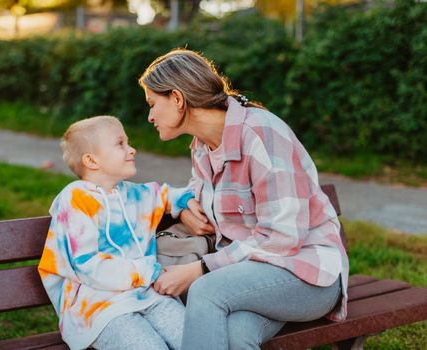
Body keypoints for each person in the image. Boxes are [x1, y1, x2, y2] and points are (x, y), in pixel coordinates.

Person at [138, 49, 349, 349]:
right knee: (236, 335)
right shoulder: (202, 146)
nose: (149, 116)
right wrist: (185, 206)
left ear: (177, 98)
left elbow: (283, 238)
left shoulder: (261, 133)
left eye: (152, 104)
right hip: (250, 279)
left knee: (205, 291)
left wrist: (201, 269)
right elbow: (199, 191)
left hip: (307, 274)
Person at [38, 116, 196, 350]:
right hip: (99, 309)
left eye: (128, 142)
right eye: (120, 143)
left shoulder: (134, 193)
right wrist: (144, 271)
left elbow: (166, 194)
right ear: (92, 160)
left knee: (198, 340)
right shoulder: (75, 199)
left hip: (148, 295)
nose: (132, 150)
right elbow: (86, 263)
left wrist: (186, 203)